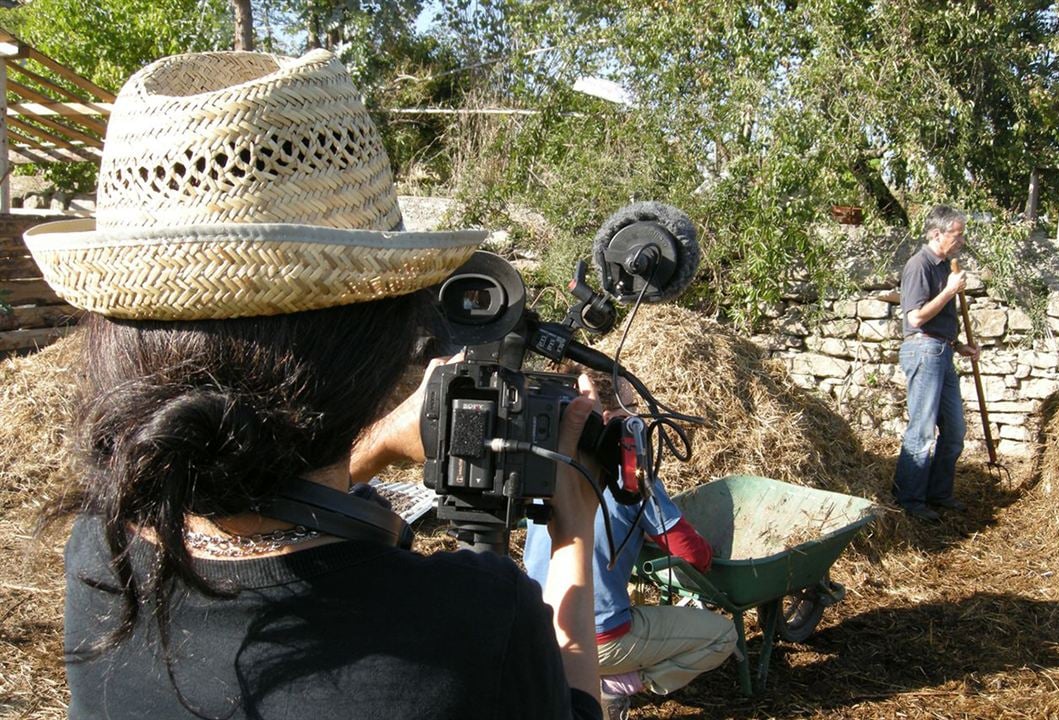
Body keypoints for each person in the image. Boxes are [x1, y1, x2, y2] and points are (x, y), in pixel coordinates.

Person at [29, 49, 603, 719]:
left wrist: (375, 448)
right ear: (380, 343)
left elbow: (245, 513)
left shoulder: (102, 562)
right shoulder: (471, 624)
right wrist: (573, 534)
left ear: (119, 343)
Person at [523, 380, 737, 720]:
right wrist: (711, 557)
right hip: (597, 637)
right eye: (632, 410)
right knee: (724, 636)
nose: (638, 420)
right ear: (610, 418)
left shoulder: (544, 464)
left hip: (535, 629)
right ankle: (614, 684)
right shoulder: (629, 473)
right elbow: (687, 549)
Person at [892, 204, 981, 522]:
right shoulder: (919, 265)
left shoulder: (946, 267)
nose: (961, 241)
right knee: (923, 430)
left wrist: (959, 345)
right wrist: (949, 292)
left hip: (942, 352)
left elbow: (939, 320)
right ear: (936, 233)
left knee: (955, 431)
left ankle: (939, 494)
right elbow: (916, 318)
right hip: (923, 352)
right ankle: (909, 500)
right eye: (957, 235)